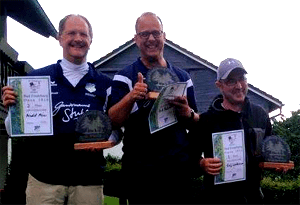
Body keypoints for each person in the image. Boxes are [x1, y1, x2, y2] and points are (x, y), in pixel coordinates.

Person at [1, 14, 119, 205]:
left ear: (91, 40)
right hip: (44, 179)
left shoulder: (105, 84)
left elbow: (115, 129)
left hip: (88, 180)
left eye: (84, 34)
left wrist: (106, 141)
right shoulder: (36, 79)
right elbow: (12, 130)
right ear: (60, 38)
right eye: (71, 33)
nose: (78, 38)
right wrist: (12, 110)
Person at [108, 12, 200, 204]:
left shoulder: (183, 77)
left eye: (156, 33)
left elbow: (195, 122)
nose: (151, 39)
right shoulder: (124, 77)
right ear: (135, 39)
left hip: (177, 173)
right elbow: (112, 121)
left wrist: (187, 113)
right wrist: (131, 97)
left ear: (164, 36)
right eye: (144, 34)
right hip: (140, 174)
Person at [189, 58, 272, 204]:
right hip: (216, 200)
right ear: (219, 85)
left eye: (242, 79)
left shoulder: (260, 115)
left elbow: (270, 150)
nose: (239, 86)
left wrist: (278, 163)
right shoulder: (206, 120)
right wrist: (201, 164)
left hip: (254, 199)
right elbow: (187, 158)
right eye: (231, 81)